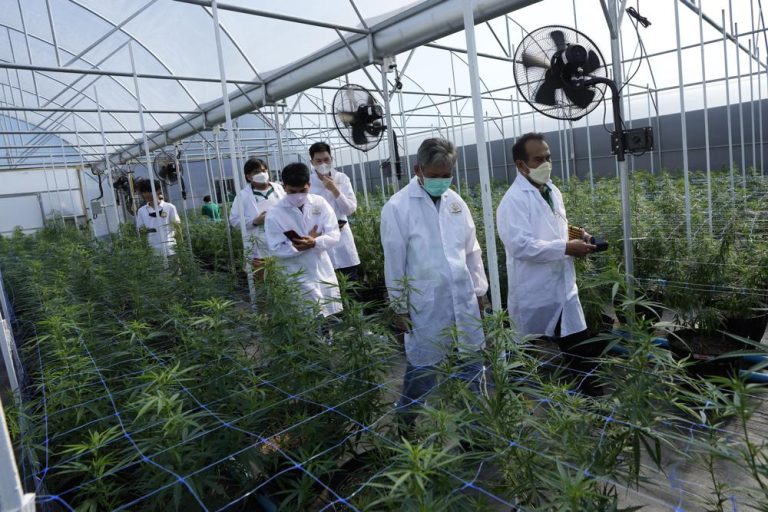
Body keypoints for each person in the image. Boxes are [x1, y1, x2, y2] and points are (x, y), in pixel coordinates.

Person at [380, 138, 489, 418]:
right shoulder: (398, 207)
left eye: (446, 175)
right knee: (424, 368)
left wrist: (479, 290)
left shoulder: (456, 202)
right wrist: (400, 307)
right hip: (424, 301)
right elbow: (394, 261)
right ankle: (405, 421)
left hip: (461, 296)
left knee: (471, 362)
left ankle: (476, 433)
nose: (441, 181)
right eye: (434, 175)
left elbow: (471, 248)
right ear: (418, 169)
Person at [496, 132, 602, 394]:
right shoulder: (513, 201)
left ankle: (597, 409)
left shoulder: (552, 190)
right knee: (524, 357)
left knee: (580, 351)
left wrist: (579, 235)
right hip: (535, 291)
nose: (546, 164)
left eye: (548, 157)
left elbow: (557, 226)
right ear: (521, 165)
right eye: (538, 159)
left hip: (563, 289)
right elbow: (521, 246)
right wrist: (567, 247)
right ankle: (510, 407)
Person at [264, 162, 342, 317]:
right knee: (308, 319)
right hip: (295, 273)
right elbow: (275, 248)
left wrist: (315, 242)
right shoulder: (274, 214)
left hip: (322, 269)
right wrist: (298, 247)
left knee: (329, 316)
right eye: (292, 191)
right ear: (284, 186)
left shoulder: (319, 202)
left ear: (309, 185)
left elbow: (334, 234)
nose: (298, 195)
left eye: (303, 190)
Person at [308, 142, 360, 281]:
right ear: (312, 162)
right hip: (320, 242)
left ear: (332, 159)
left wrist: (334, 189)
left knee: (350, 286)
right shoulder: (308, 184)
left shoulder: (341, 178)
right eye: (318, 161)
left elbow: (349, 210)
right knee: (328, 288)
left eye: (326, 160)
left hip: (343, 241)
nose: (323, 164)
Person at [229, 157, 285, 267]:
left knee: (284, 275)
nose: (262, 174)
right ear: (249, 176)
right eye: (256, 172)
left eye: (264, 171)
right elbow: (234, 220)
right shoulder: (242, 196)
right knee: (262, 276)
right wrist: (254, 221)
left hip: (281, 241)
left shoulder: (278, 189)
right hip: (260, 246)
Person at [135, 179, 181, 257]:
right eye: (143, 192)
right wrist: (146, 231)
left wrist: (180, 246)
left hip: (170, 248)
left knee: (175, 268)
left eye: (148, 191)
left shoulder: (169, 207)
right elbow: (141, 229)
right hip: (153, 250)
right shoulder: (141, 211)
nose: (146, 194)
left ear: (158, 190)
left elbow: (177, 226)